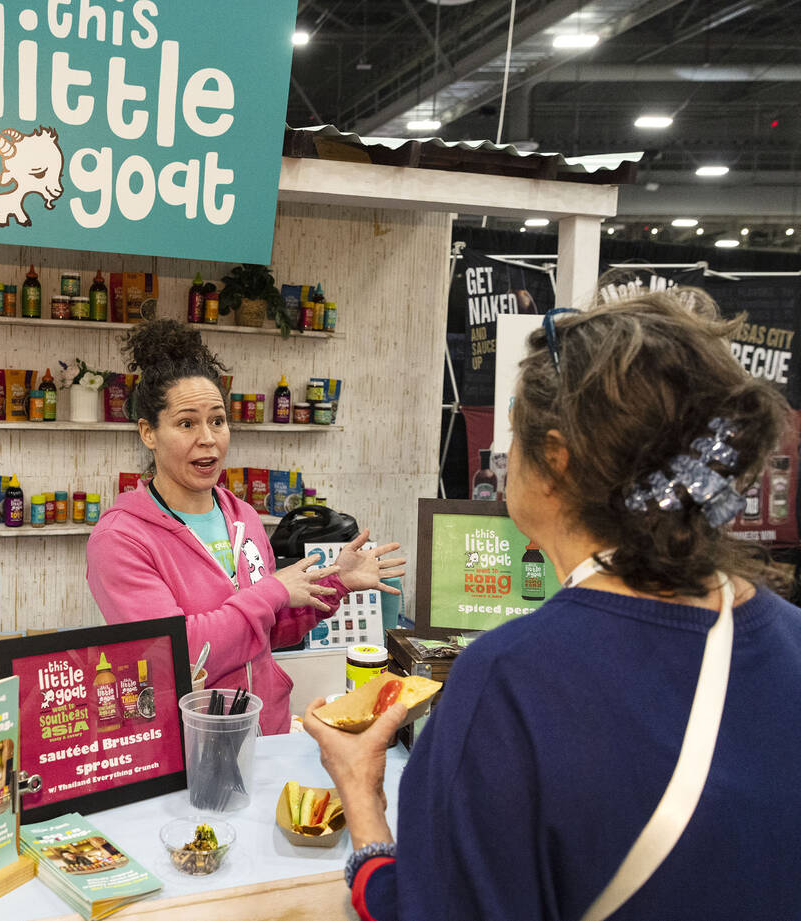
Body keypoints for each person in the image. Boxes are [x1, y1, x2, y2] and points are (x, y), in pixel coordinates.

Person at [305, 291, 801, 920]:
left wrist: (362, 797)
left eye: (512, 436)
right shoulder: (788, 639)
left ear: (557, 459)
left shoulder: (510, 681)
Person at [87, 319, 406, 734]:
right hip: (187, 744)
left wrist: (338, 583)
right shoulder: (121, 539)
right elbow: (177, 654)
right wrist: (274, 589)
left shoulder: (242, 517)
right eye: (187, 424)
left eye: (217, 421)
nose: (208, 439)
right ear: (149, 432)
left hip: (264, 735)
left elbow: (265, 630)